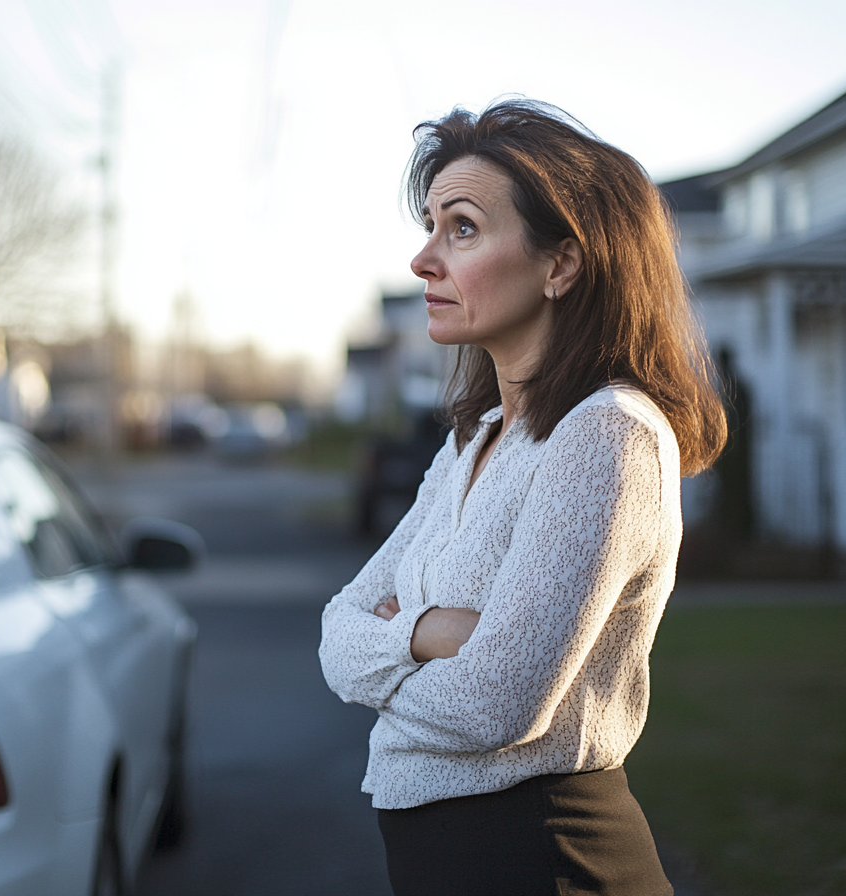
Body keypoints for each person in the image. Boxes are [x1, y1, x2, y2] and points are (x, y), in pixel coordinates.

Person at [319, 99, 726, 896]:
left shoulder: (608, 435)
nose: (423, 260)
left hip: (542, 858)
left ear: (561, 264)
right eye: (430, 225)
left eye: (462, 228)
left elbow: (496, 706)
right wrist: (435, 633)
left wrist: (394, 658)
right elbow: (336, 635)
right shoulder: (478, 438)